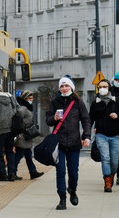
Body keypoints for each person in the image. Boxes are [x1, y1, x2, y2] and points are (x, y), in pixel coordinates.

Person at [46, 77, 91, 210]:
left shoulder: (78, 103)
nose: (64, 88)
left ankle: (72, 190)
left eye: (66, 86)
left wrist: (86, 136)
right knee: (60, 171)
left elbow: (86, 120)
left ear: (71, 87)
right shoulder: (54, 102)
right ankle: (62, 198)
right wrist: (53, 118)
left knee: (73, 172)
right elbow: (48, 120)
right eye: (62, 86)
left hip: (74, 143)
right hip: (58, 143)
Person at [90, 79, 119, 193]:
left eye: (105, 86)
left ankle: (111, 175)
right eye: (100, 86)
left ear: (109, 88)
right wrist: (86, 134)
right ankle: (107, 181)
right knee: (105, 158)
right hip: (101, 135)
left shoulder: (117, 101)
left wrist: (117, 116)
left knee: (115, 161)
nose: (102, 89)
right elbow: (90, 118)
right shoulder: (95, 103)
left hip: (116, 136)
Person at [14, 90, 44, 180]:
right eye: (29, 98)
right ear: (25, 98)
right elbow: (17, 121)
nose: (31, 100)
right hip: (23, 135)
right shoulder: (22, 108)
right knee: (19, 155)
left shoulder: (27, 107)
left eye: (32, 98)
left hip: (27, 136)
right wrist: (24, 127)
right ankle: (12, 172)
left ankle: (33, 172)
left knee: (28, 155)